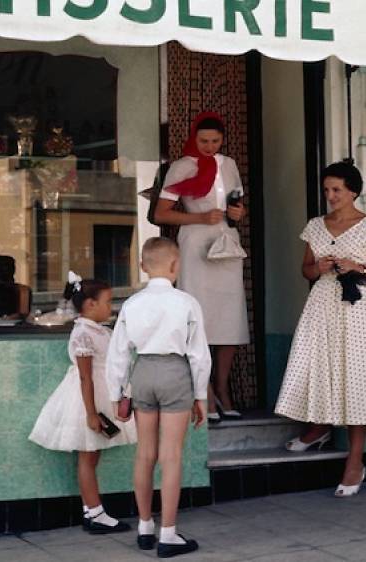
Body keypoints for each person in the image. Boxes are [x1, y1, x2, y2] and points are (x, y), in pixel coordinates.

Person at [274, 161, 366, 498]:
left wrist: (358, 266)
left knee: (356, 380)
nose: (330, 196)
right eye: (327, 190)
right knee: (317, 368)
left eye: (337, 190)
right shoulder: (315, 226)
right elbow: (306, 271)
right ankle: (318, 429)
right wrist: (319, 266)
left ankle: (355, 463)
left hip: (356, 311)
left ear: (353, 192)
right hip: (320, 307)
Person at [107, 237, 211, 558]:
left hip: (143, 372)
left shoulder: (131, 304)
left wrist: (117, 393)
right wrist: (200, 395)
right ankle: (168, 534)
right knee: (171, 456)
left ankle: (144, 527)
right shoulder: (187, 302)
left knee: (144, 453)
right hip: (174, 372)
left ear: (142, 267)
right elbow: (199, 355)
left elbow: (118, 353)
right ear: (175, 266)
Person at [153, 112, 249, 424]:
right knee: (199, 319)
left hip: (226, 242)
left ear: (223, 140)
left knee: (230, 321)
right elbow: (161, 214)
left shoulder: (229, 165)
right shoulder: (181, 167)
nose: (209, 146)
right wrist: (199, 217)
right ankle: (203, 389)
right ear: (194, 138)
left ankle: (222, 388)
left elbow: (238, 207)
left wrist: (237, 213)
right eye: (203, 141)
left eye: (215, 141)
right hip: (196, 244)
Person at [29, 275, 136, 533]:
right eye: (107, 302)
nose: (110, 307)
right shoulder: (83, 334)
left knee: (92, 454)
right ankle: (96, 513)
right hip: (88, 398)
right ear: (90, 304)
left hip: (101, 393)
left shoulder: (99, 331)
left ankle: (91, 510)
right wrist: (91, 413)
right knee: (88, 457)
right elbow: (85, 376)